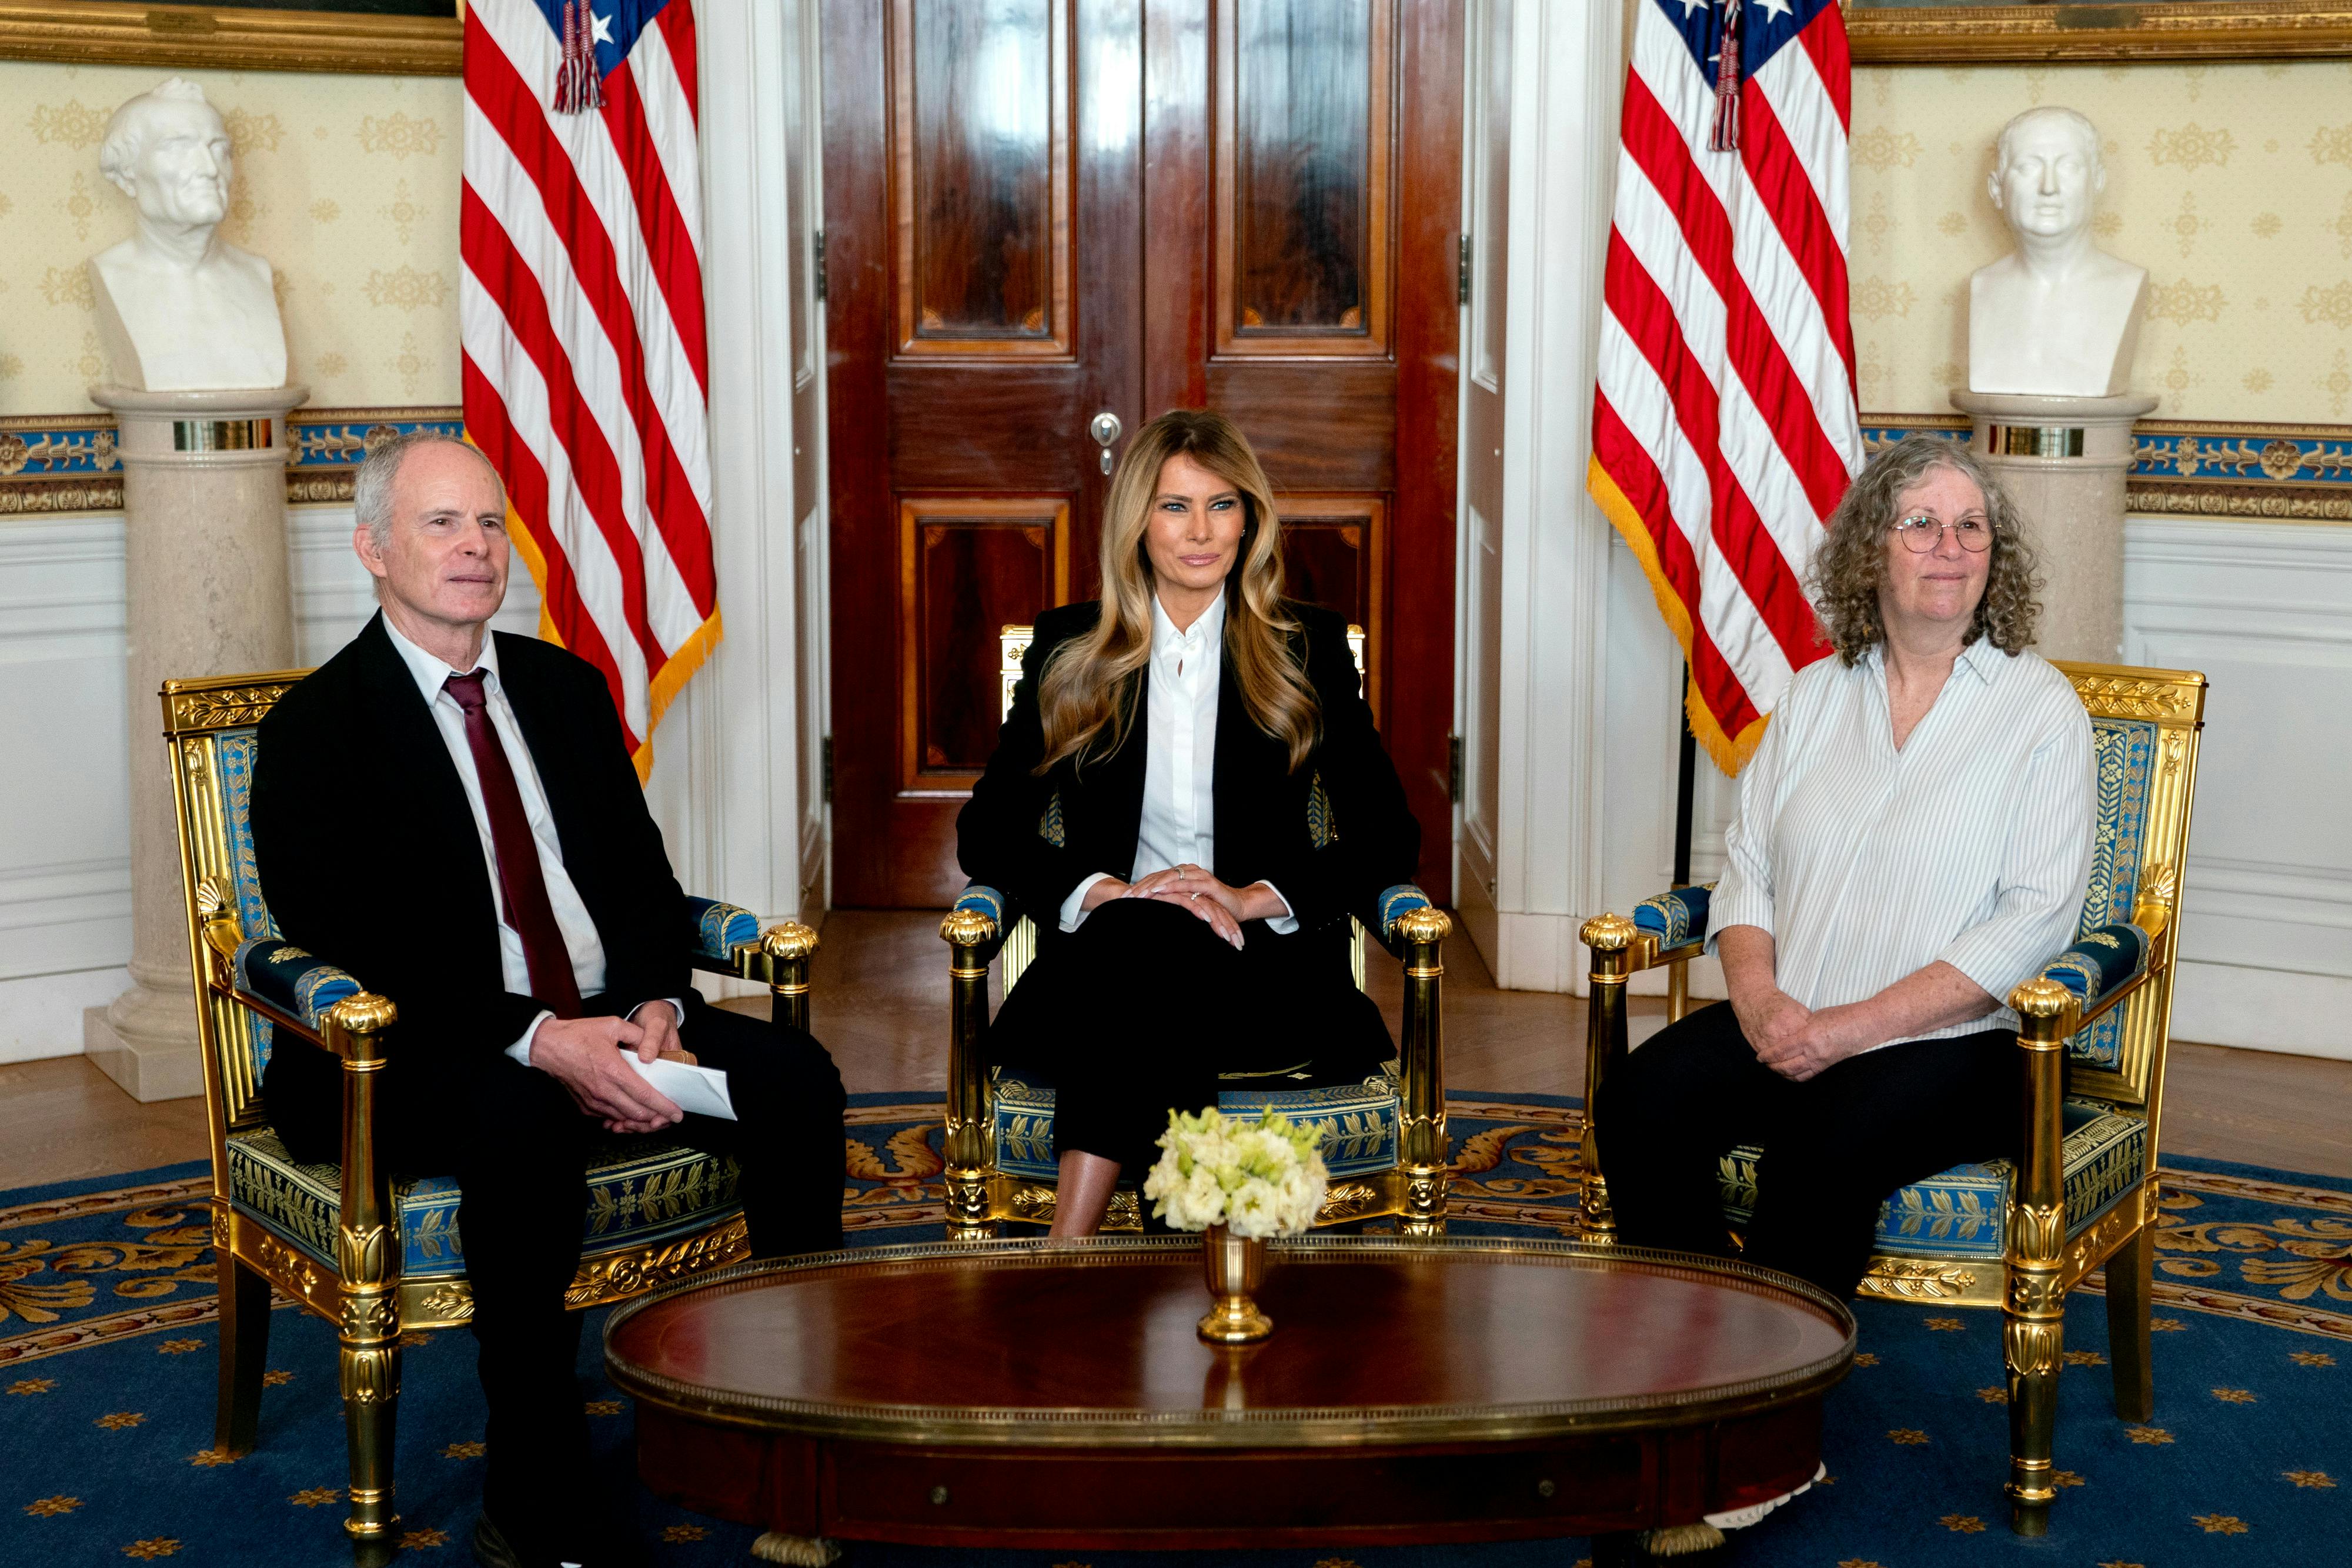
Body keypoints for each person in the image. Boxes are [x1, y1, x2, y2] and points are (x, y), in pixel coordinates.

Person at [250, 432, 846, 1568]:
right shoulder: (318, 731)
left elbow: (644, 888)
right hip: (413, 1050)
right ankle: (536, 1490)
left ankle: (795, 1432)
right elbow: (360, 950)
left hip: (612, 1012)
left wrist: (661, 1005)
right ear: (373, 549)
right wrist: (540, 1039)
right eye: (441, 523)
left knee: (797, 1082)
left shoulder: (565, 690)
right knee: (521, 1124)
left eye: (489, 522)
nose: (476, 547)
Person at [1599, 434, 2094, 1303]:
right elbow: (1748, 871)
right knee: (1642, 1100)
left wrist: (1847, 1031)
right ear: (1872, 551)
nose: (1951, 547)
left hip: (1960, 1047)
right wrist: (1762, 1006)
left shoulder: (2041, 710)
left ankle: (1778, 1386)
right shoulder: (1814, 695)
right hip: (1791, 1013)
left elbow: (2034, 921)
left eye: (1972, 526)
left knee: (1820, 1146)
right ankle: (1693, 1332)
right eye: (1922, 524)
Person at [958, 409, 1419, 1238]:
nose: (1201, 531)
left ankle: (1067, 1249)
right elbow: (986, 832)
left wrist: (1246, 898)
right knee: (1147, 942)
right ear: (1139, 523)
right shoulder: (1071, 649)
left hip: (1261, 971)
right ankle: (1183, 1258)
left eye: (1221, 505)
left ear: (1249, 520)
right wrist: (1106, 893)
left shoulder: (1305, 648)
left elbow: (1389, 835)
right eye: (1175, 507)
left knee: (1154, 955)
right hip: (1102, 961)